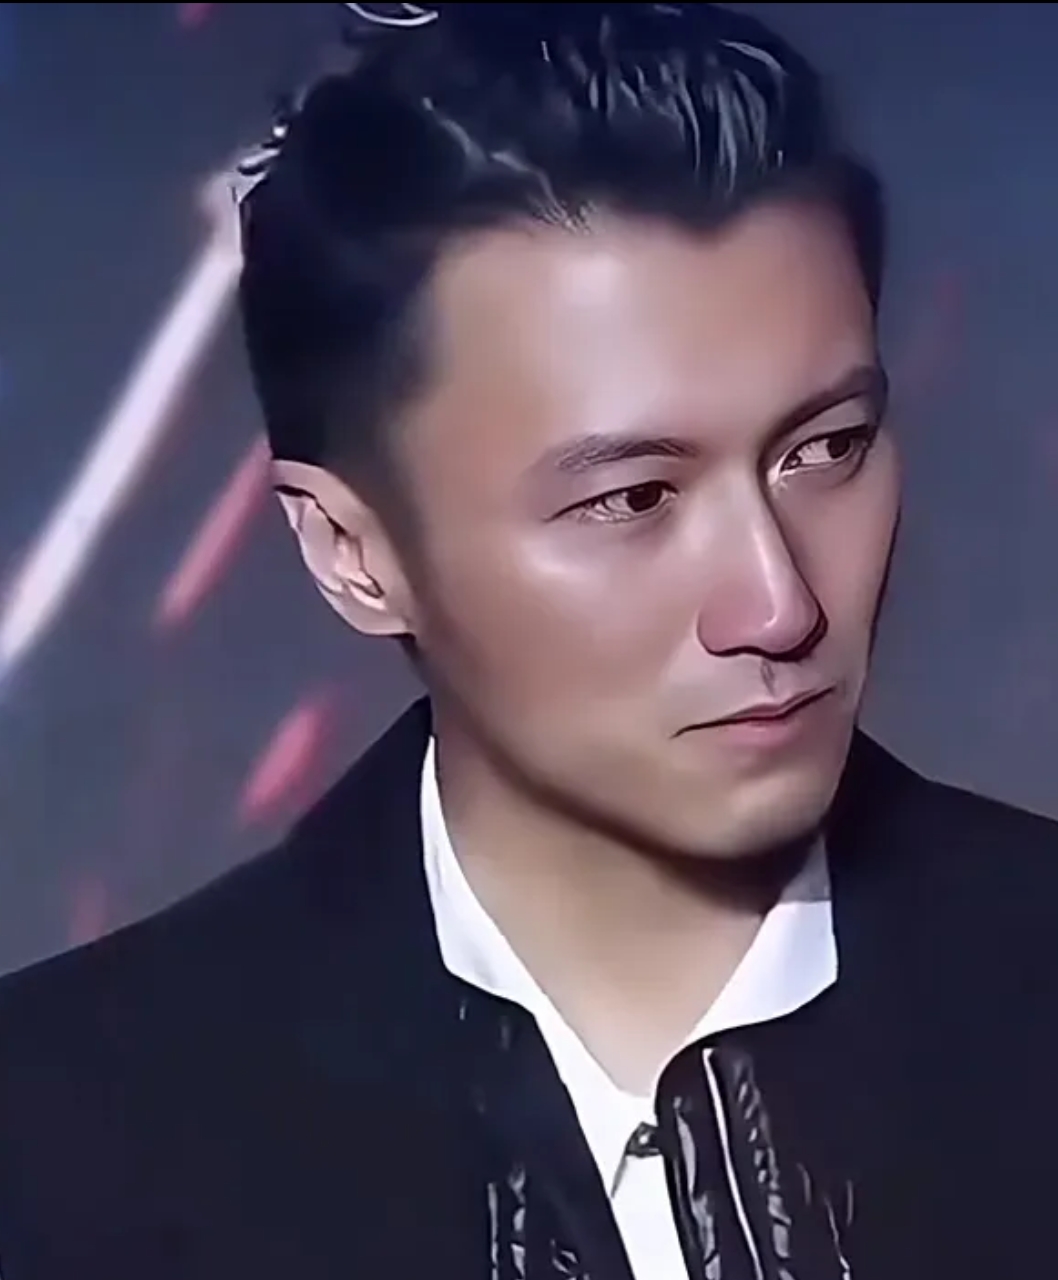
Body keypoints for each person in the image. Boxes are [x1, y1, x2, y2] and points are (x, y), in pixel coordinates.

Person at [0, 3, 1056, 1278]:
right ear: (350, 551)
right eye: (630, 498)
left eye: (824, 448)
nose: (778, 605)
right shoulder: (63, 1145)